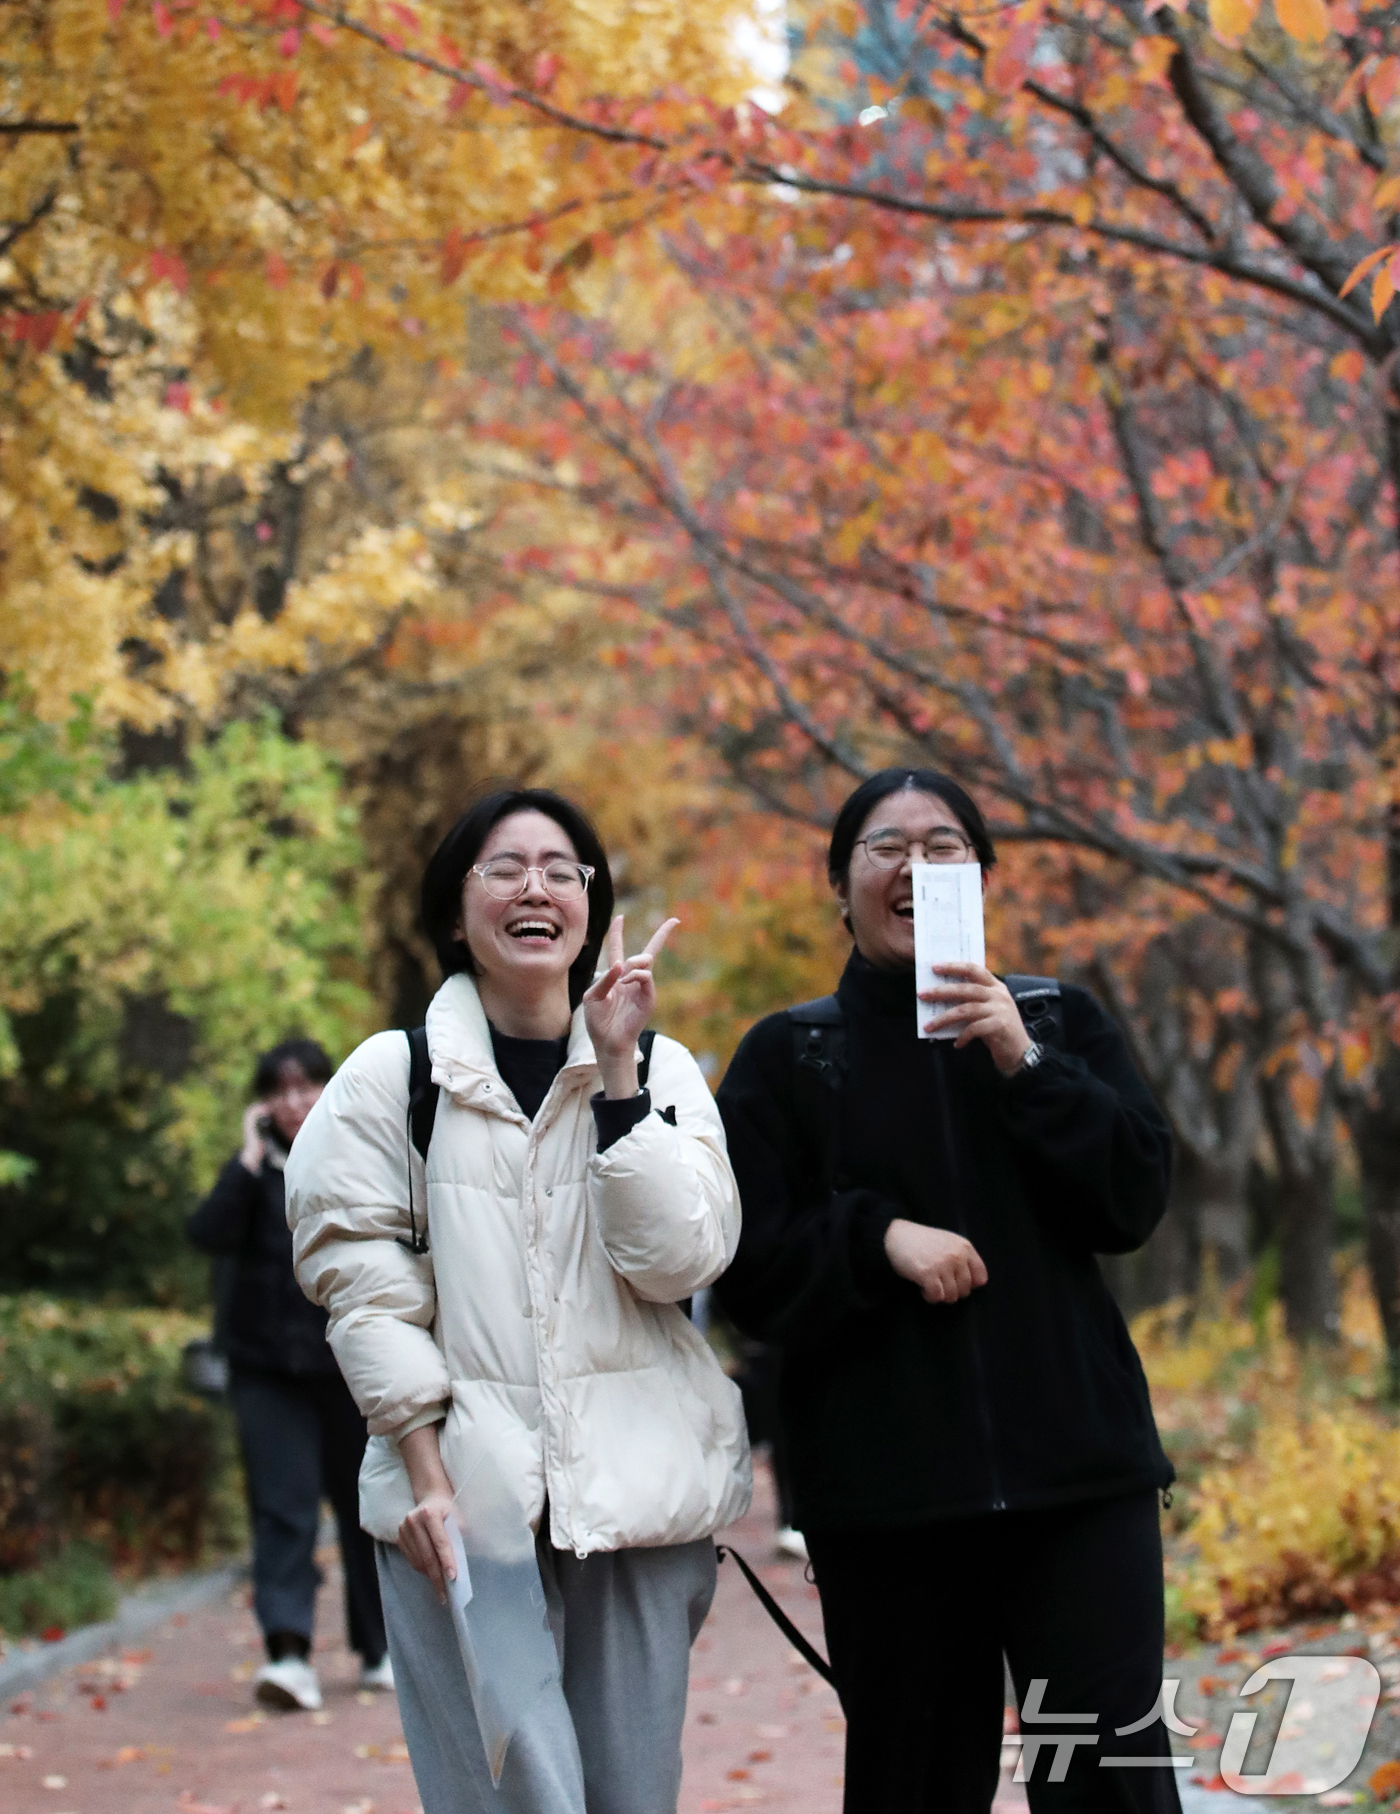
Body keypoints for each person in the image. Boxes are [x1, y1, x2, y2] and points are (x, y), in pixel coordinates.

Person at [714, 768, 1179, 1814]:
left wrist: (1020, 1057)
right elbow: (745, 1265)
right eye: (885, 846)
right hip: (889, 1507)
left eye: (943, 844)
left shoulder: (1059, 1020)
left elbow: (1133, 1195)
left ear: (981, 875)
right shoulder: (789, 1056)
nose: (915, 865)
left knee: (1106, 1779)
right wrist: (874, 1237)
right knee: (914, 1790)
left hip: (1077, 1487)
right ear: (840, 885)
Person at [284, 787, 750, 1814]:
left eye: (560, 868)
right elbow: (359, 1282)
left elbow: (684, 1258)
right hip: (464, 1510)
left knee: (630, 1793)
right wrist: (422, 1470)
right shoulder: (390, 1076)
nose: (534, 885)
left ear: (590, 901)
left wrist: (617, 1073)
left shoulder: (662, 1068)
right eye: (503, 866)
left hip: (635, 1502)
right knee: (509, 1796)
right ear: (457, 912)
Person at [188, 1039, 391, 1712]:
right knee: (282, 1510)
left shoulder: (359, 1161)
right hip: (266, 1372)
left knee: (367, 1509)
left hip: (348, 1369)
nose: (292, 1102)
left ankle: (379, 1649)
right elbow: (206, 1234)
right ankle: (288, 1654)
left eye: (305, 1087)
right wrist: (247, 1160)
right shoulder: (250, 1176)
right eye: (279, 1091)